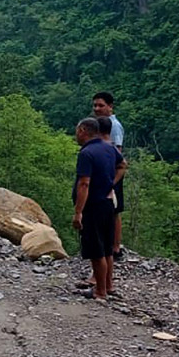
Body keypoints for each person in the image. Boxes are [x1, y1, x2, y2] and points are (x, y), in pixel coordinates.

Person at [73, 116, 118, 300]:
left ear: (83, 130)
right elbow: (122, 165)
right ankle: (107, 286)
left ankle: (100, 292)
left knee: (96, 250)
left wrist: (78, 212)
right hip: (108, 204)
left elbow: (84, 183)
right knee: (107, 249)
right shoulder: (109, 148)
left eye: (77, 130)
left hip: (93, 206)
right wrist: (110, 184)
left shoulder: (86, 153)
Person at [92, 91, 126, 260]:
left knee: (114, 209)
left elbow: (117, 153)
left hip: (111, 174)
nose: (97, 109)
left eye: (101, 105)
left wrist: (111, 180)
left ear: (110, 107)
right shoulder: (99, 125)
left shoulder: (115, 126)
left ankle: (115, 247)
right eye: (95, 105)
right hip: (102, 174)